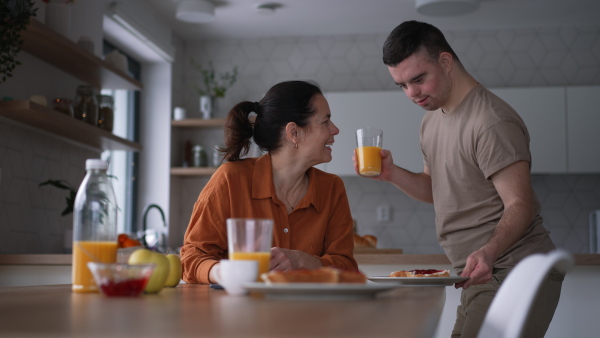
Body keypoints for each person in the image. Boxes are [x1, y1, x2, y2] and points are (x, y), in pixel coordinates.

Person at [356, 21, 562, 337]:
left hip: (514, 269)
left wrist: (488, 251)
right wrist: (391, 174)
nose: (411, 94)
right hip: (481, 272)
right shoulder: (431, 120)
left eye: (418, 79)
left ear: (445, 61)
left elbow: (519, 204)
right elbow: (436, 189)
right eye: (402, 85)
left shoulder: (491, 121)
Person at [181, 80, 358, 285]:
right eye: (325, 121)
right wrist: (223, 273)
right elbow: (191, 258)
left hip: (312, 314)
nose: (335, 130)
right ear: (294, 133)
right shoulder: (230, 180)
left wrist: (302, 260)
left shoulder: (332, 188)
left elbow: (347, 268)